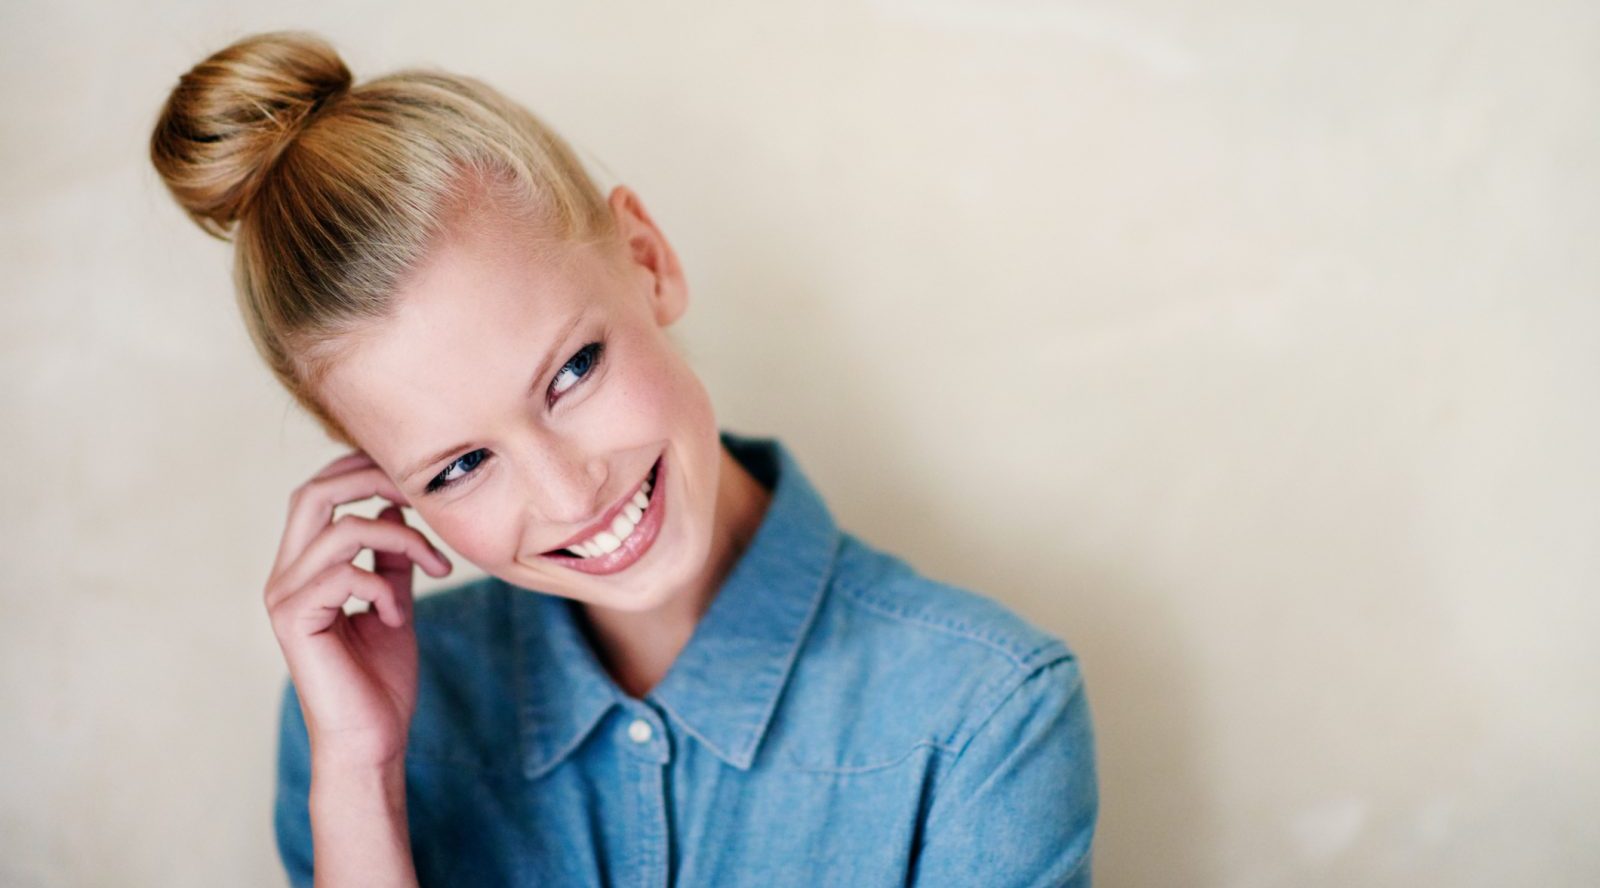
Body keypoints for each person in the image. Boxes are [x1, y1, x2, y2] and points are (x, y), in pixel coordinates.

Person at [148, 29, 1098, 887]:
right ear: (376, 475)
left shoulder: (985, 721)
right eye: (458, 467)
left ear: (647, 258)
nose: (570, 495)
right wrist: (359, 782)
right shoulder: (364, 736)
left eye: (573, 372)